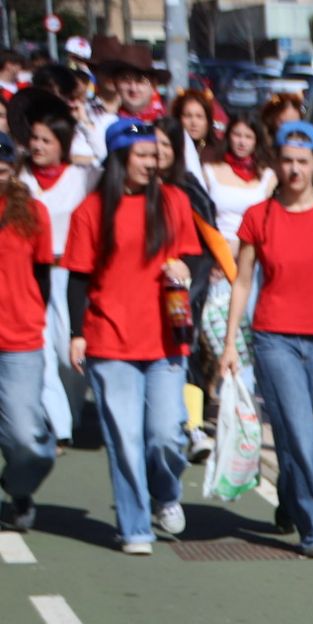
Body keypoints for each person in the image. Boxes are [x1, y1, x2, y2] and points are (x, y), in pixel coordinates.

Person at [217, 121, 313, 559]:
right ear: (276, 164)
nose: (295, 169)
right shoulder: (258, 217)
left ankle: (289, 493)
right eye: (287, 160)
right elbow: (242, 283)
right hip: (273, 339)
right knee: (300, 436)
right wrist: (231, 344)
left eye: (303, 161)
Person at [62, 118, 200, 555]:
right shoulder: (91, 210)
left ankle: (165, 491)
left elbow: (194, 260)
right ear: (120, 159)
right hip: (109, 339)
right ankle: (134, 527)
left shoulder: (175, 201)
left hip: (165, 338)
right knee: (123, 436)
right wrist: (77, 332)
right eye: (141, 155)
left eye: (154, 155)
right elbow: (79, 278)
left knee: (165, 434)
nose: (150, 162)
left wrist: (184, 271)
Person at [20, 99, 97, 445]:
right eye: (34, 138)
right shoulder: (19, 179)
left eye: (46, 140)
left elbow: (110, 159)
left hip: (70, 273)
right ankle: (57, 424)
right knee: (40, 347)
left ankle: (72, 409)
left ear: (62, 145)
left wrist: (86, 124)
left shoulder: (83, 178)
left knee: (70, 353)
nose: (37, 146)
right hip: (29, 272)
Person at [0, 131, 56, 532]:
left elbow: (42, 277)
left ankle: (19, 485)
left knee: (25, 437)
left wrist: (32, 314)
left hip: (19, 337)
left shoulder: (33, 213)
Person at [154, 117, 219, 464]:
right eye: (156, 144)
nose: (160, 152)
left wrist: (188, 281)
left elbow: (208, 240)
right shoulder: (133, 185)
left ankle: (194, 425)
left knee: (186, 351)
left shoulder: (189, 188)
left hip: (185, 287)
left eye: (168, 145)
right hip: (142, 290)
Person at [200, 116, 274, 394]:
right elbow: (204, 219)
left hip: (253, 263)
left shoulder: (268, 176)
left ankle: (246, 394)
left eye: (248, 136)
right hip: (219, 262)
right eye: (237, 135)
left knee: (251, 329)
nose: (242, 142)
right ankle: (225, 389)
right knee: (218, 331)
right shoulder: (210, 170)